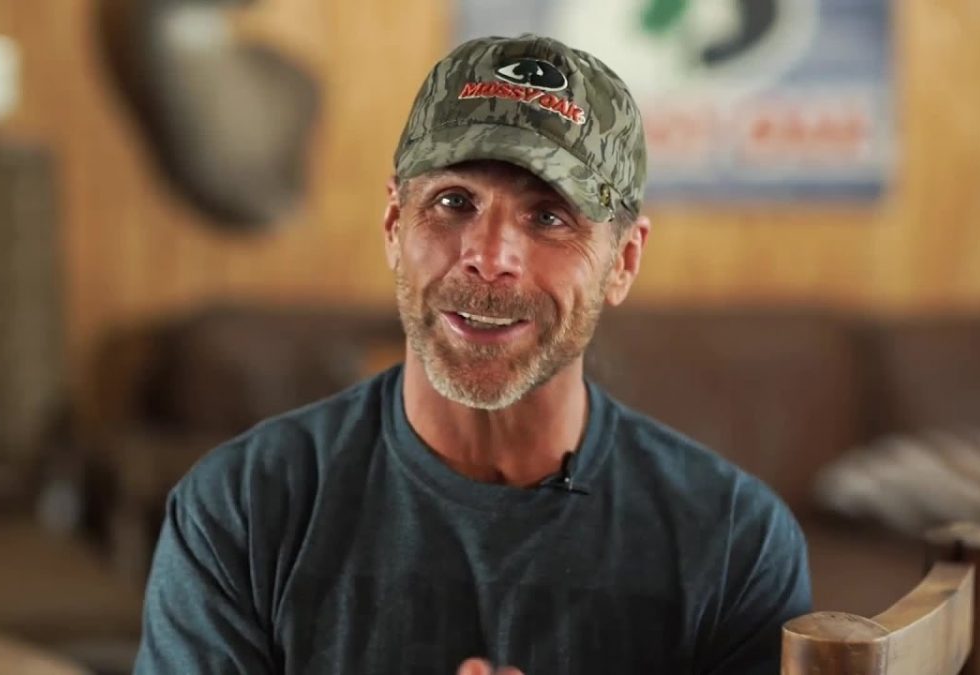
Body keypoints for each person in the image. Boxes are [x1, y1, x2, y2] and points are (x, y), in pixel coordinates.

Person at [134, 34, 811, 675]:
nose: (488, 257)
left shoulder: (734, 541)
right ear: (394, 225)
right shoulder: (243, 509)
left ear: (624, 261)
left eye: (549, 216)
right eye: (454, 201)